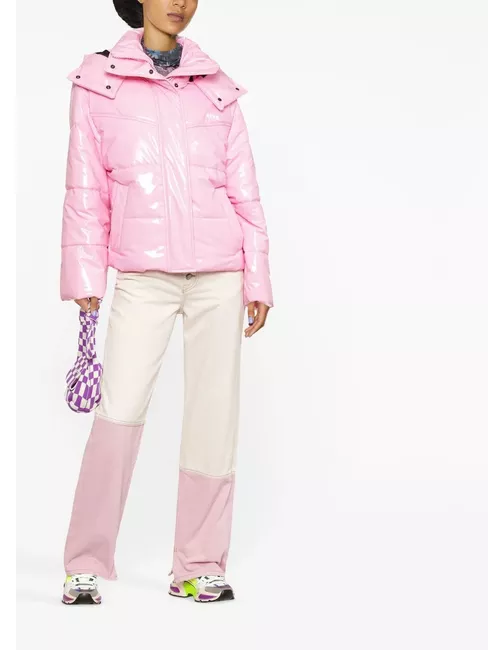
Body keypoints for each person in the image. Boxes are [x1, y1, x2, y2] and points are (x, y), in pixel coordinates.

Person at [60, 0, 273, 605]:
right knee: (119, 412)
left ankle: (198, 564)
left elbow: (245, 189)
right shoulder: (98, 82)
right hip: (143, 274)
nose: (180, 3)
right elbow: (84, 188)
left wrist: (258, 277)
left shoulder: (216, 87)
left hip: (219, 274)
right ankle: (85, 561)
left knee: (214, 417)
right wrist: (86, 277)